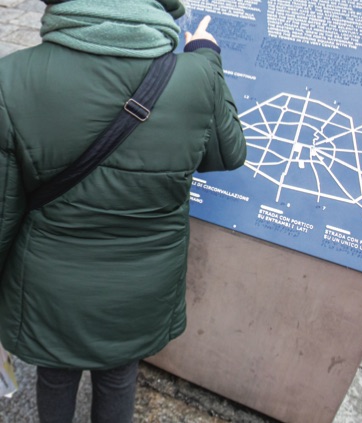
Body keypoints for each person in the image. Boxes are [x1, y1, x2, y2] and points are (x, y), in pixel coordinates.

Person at [0, 0, 246, 422]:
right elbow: (229, 153)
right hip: (144, 282)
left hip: (50, 283)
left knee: (55, 374)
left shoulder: (12, 76)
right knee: (119, 375)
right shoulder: (196, 76)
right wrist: (207, 55)